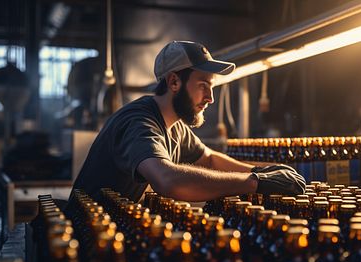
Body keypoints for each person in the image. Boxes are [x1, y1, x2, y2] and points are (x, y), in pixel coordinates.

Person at [68, 41, 305, 204]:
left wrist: (261, 171)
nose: (210, 98)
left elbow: (210, 159)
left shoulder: (175, 126)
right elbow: (167, 180)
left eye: (212, 87)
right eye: (203, 86)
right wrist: (255, 183)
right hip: (84, 239)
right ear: (173, 83)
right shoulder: (139, 122)